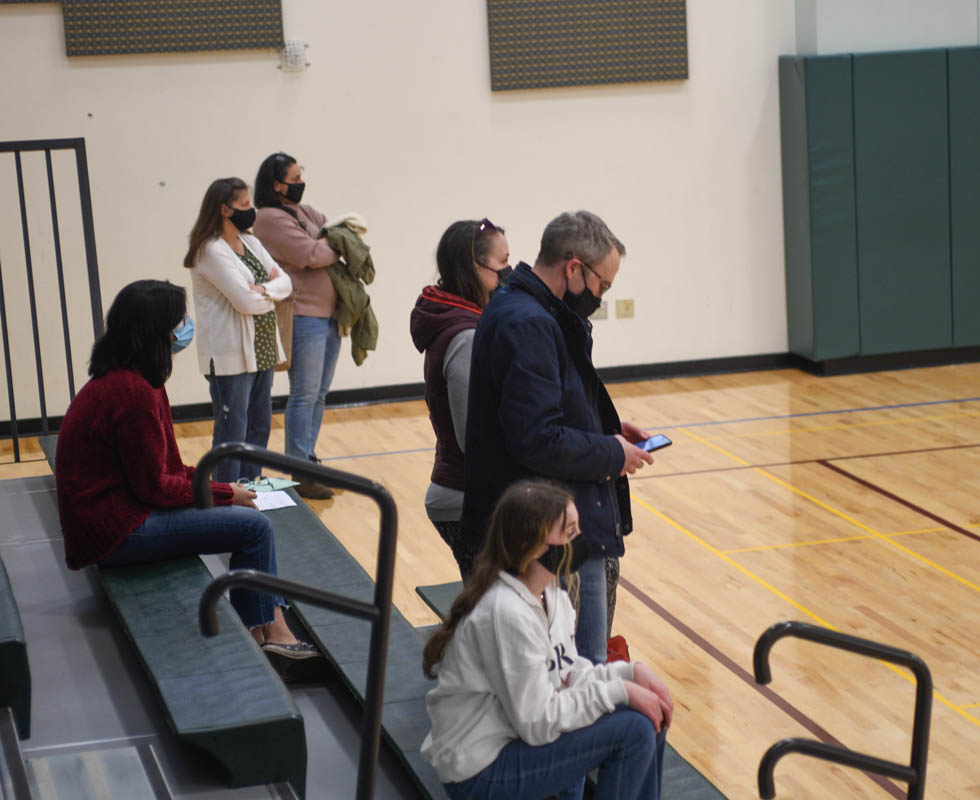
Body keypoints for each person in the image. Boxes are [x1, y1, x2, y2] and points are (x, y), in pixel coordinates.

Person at [54, 279, 317, 662]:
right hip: (116, 532)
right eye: (178, 322)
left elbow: (169, 469)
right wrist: (225, 494)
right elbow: (155, 488)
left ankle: (270, 629)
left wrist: (222, 489)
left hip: (122, 513)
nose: (185, 329)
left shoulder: (137, 380)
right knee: (255, 528)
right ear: (156, 332)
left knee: (248, 519)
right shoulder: (131, 392)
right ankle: (266, 634)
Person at [460, 210, 654, 665]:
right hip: (545, 532)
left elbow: (551, 405)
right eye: (603, 284)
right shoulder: (528, 322)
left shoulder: (533, 310)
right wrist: (610, 452)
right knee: (577, 669)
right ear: (573, 268)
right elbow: (537, 438)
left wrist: (605, 430)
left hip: (550, 521)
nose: (601, 296)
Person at [422, 480, 672, 800]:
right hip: (479, 772)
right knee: (634, 730)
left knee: (652, 715)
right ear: (534, 545)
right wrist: (620, 692)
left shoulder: (551, 596)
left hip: (513, 742)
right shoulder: (506, 613)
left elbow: (568, 675)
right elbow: (537, 723)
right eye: (569, 532)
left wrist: (630, 673)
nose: (579, 539)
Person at [410, 218, 511, 577]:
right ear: (474, 268)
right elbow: (475, 438)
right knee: (494, 602)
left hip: (467, 490)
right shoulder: (466, 337)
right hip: (466, 496)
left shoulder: (462, 320)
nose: (509, 273)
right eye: (502, 264)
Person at [183, 177, 293, 484]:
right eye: (244, 205)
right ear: (224, 210)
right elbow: (245, 302)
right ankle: (226, 493)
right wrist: (269, 292)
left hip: (263, 349)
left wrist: (264, 289)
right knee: (233, 430)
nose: (250, 210)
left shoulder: (251, 243)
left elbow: (286, 283)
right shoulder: (210, 250)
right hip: (230, 355)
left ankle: (250, 488)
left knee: (259, 425)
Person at [253, 152, 340, 500]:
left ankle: (309, 460)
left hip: (329, 315)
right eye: (294, 178)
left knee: (319, 394)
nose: (301, 183)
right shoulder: (268, 218)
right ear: (277, 185)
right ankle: (300, 471)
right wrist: (332, 244)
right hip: (303, 315)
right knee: (304, 394)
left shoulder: (306, 212)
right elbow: (311, 255)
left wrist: (332, 242)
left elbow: (338, 234)